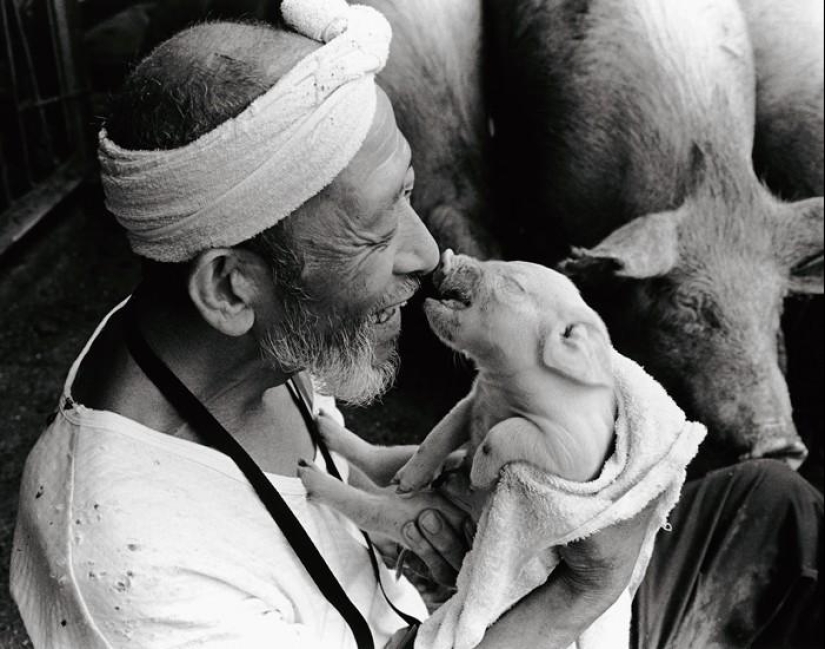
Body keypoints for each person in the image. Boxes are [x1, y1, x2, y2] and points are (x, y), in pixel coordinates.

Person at [10, 1, 822, 648]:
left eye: (407, 191)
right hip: (537, 621)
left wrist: (402, 506)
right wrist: (586, 584)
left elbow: (326, 484)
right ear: (229, 284)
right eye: (374, 228)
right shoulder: (138, 581)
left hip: (457, 602)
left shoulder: (227, 339)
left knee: (775, 499)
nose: (429, 253)